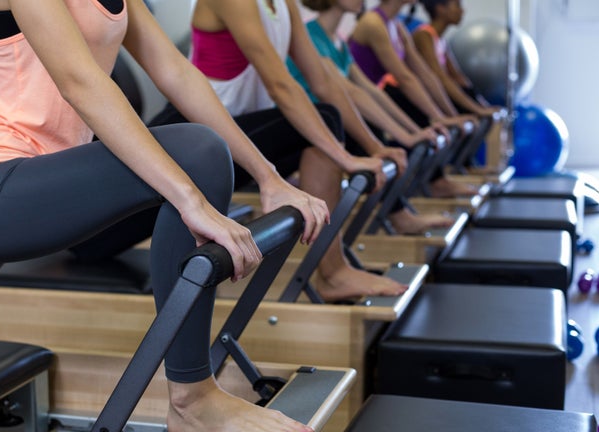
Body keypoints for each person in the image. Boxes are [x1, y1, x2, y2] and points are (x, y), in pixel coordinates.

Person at [0, 0, 332, 432]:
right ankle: (192, 398)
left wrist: (269, 178)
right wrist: (190, 198)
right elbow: (79, 80)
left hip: (28, 193)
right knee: (197, 151)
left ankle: (195, 398)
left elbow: (177, 73)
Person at [150, 0, 422, 301]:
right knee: (327, 123)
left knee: (329, 118)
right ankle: (332, 273)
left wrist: (375, 148)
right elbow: (281, 84)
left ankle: (333, 269)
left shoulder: (283, 5)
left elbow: (323, 81)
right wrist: (344, 158)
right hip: (192, 135)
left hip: (235, 138)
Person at [287, 0, 457, 233]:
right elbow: (350, 92)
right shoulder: (310, 36)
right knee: (351, 123)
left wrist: (412, 132)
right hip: (307, 128)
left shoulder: (338, 42)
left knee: (361, 122)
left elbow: (369, 90)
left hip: (329, 126)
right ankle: (398, 216)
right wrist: (401, 136)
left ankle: (399, 211)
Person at [349, 0, 479, 197]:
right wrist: (439, 117)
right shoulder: (373, 22)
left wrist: (448, 115)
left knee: (426, 117)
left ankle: (432, 181)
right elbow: (405, 78)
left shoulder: (398, 26)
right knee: (412, 107)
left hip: (370, 99)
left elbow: (425, 74)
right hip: (360, 106)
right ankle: (421, 189)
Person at [411, 0, 501, 117]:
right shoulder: (423, 36)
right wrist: (476, 109)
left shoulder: (441, 40)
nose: (462, 11)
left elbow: (458, 78)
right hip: (414, 97)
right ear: (440, 8)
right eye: (457, 5)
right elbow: (440, 78)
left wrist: (482, 105)